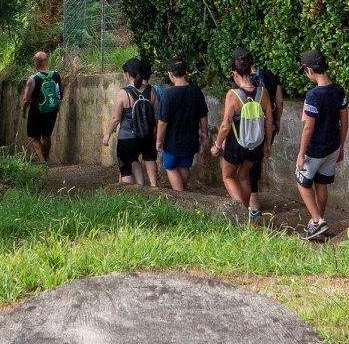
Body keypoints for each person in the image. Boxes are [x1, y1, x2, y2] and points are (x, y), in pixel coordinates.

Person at [293, 50, 348, 241]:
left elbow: (308, 128)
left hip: (315, 149)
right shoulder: (338, 90)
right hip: (333, 147)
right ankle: (318, 222)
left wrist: (301, 153)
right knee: (322, 184)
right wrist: (341, 147)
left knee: (302, 182)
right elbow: (345, 122)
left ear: (309, 70)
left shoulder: (313, 95)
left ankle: (317, 221)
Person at [212, 53, 272, 224]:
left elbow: (225, 125)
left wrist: (217, 145)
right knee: (245, 176)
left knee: (228, 176)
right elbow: (269, 122)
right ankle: (249, 212)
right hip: (256, 144)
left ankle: (241, 212)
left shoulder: (233, 94)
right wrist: (267, 144)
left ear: (234, 73)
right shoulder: (263, 93)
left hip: (235, 143)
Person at [233, 48, 285, 201]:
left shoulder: (240, 77)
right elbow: (279, 101)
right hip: (266, 126)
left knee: (244, 166)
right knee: (257, 160)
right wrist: (277, 121)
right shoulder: (270, 75)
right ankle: (252, 199)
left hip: (245, 127)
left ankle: (250, 202)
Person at [103, 58, 161, 188]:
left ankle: (128, 193)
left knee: (126, 169)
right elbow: (158, 116)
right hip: (148, 137)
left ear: (128, 74)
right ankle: (153, 187)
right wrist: (156, 134)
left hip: (127, 139)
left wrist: (107, 134)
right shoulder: (151, 91)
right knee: (149, 159)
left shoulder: (123, 93)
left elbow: (115, 118)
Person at [155, 59, 209, 194]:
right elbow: (203, 114)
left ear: (170, 74)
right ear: (185, 72)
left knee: (170, 166)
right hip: (191, 138)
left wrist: (158, 140)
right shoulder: (196, 91)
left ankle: (181, 196)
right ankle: (183, 191)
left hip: (172, 139)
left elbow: (162, 122)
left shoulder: (168, 94)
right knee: (185, 165)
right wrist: (204, 132)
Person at [20, 50, 62, 164]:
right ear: (46, 61)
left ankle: (42, 161)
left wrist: (23, 111)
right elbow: (59, 94)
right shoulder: (56, 75)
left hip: (36, 111)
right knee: (47, 136)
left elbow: (26, 99)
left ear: (36, 63)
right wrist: (56, 107)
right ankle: (45, 158)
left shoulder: (33, 79)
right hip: (52, 110)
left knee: (34, 137)